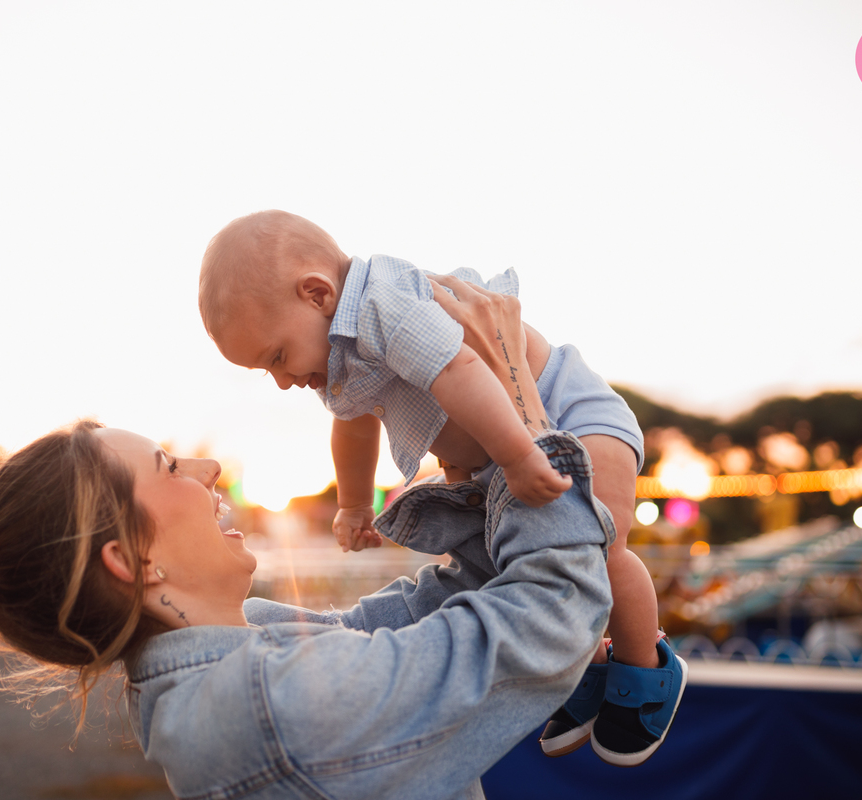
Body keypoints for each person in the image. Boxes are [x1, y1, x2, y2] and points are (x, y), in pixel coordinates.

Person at [0, 289, 613, 800]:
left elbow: (436, 617)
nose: (208, 469)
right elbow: (550, 617)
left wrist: (474, 453)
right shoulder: (268, 706)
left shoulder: (246, 649)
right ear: (133, 560)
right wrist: (519, 411)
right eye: (168, 468)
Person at [198, 210, 686, 765]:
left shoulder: (385, 303)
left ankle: (646, 668)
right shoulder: (341, 352)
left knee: (600, 547)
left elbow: (459, 369)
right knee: (522, 567)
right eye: (268, 371)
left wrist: (521, 453)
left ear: (317, 294)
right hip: (504, 453)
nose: (284, 381)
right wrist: (353, 503)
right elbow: (352, 422)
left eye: (278, 357)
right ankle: (586, 667)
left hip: (569, 412)